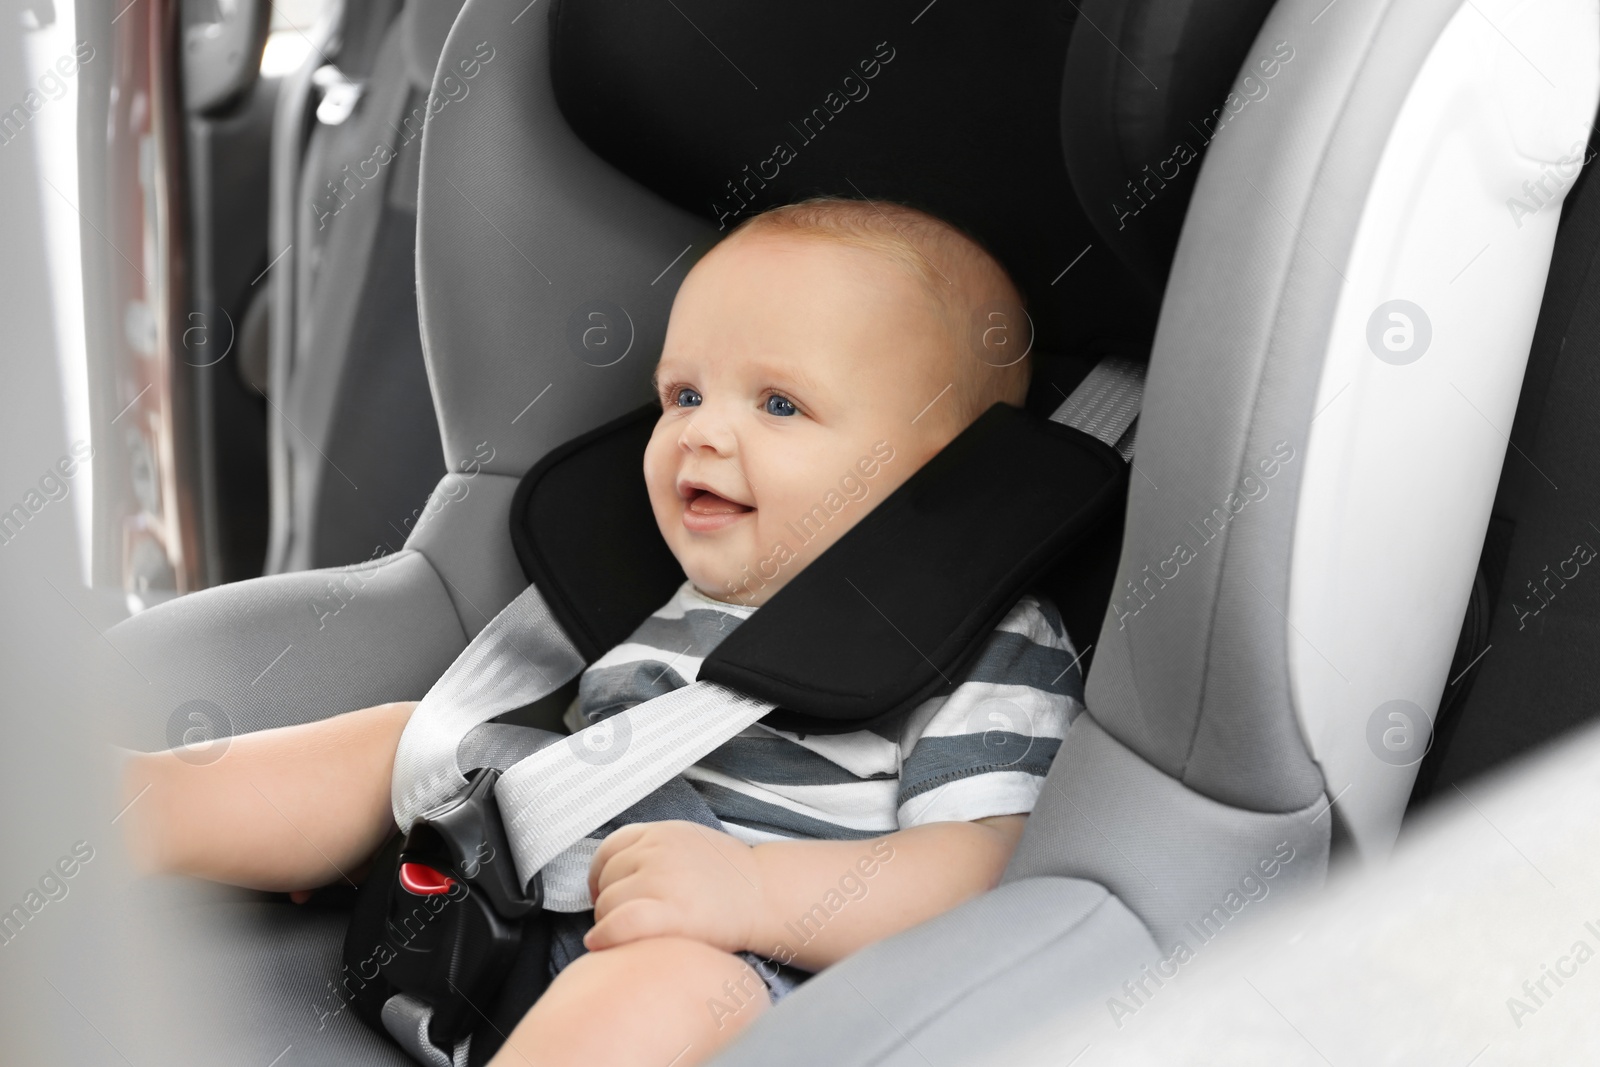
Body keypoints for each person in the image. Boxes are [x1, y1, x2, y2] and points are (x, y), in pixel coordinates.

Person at [120, 197, 1084, 1066]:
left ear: (944, 475)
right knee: (403, 739)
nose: (701, 434)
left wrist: (754, 893)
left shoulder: (991, 643)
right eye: (684, 395)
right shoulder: (665, 591)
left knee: (670, 987)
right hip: (536, 894)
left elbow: (982, 865)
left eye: (780, 403)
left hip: (747, 972)